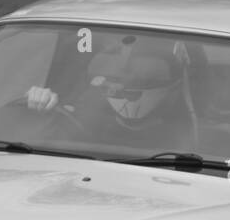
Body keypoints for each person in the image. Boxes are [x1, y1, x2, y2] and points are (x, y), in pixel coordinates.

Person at [23, 36, 198, 153]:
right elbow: (34, 145)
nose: (124, 86)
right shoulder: (81, 118)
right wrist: (39, 102)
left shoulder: (196, 136)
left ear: (174, 86)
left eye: (142, 80)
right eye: (115, 79)